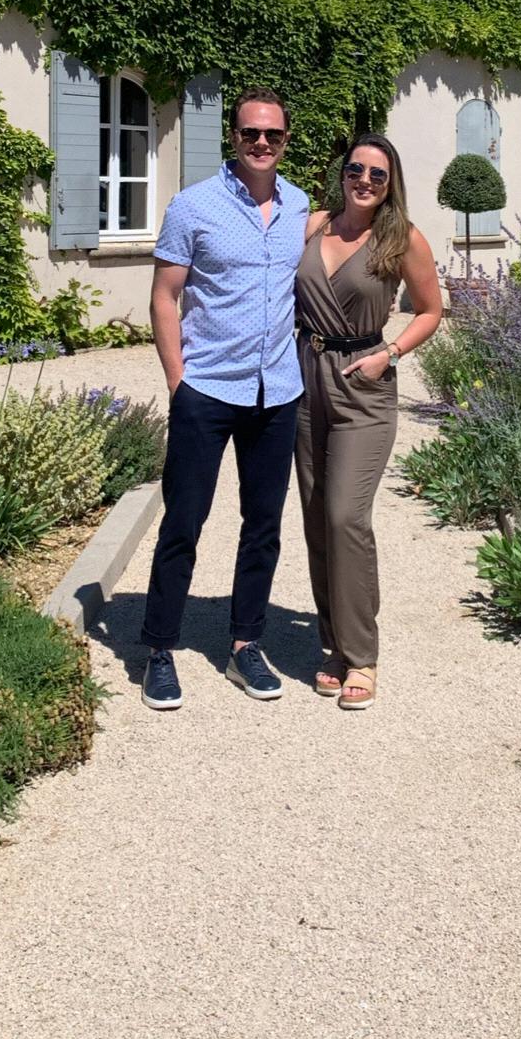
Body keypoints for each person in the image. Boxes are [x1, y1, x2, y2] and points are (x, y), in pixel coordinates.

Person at [139, 88, 309, 711]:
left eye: (273, 135)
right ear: (232, 138)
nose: (261, 143)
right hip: (207, 389)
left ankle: (245, 644)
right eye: (250, 133)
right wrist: (177, 380)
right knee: (184, 521)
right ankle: (158, 648)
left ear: (286, 140)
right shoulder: (193, 206)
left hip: (277, 390)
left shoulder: (299, 205)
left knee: (263, 527)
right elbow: (165, 295)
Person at [295, 133, 442, 710]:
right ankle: (332, 644)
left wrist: (392, 353)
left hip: (363, 384)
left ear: (390, 185)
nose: (363, 180)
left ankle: (362, 655)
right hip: (305, 380)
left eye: (377, 175)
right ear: (343, 172)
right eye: (356, 169)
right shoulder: (314, 225)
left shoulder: (401, 238)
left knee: (344, 515)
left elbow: (431, 310)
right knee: (313, 516)